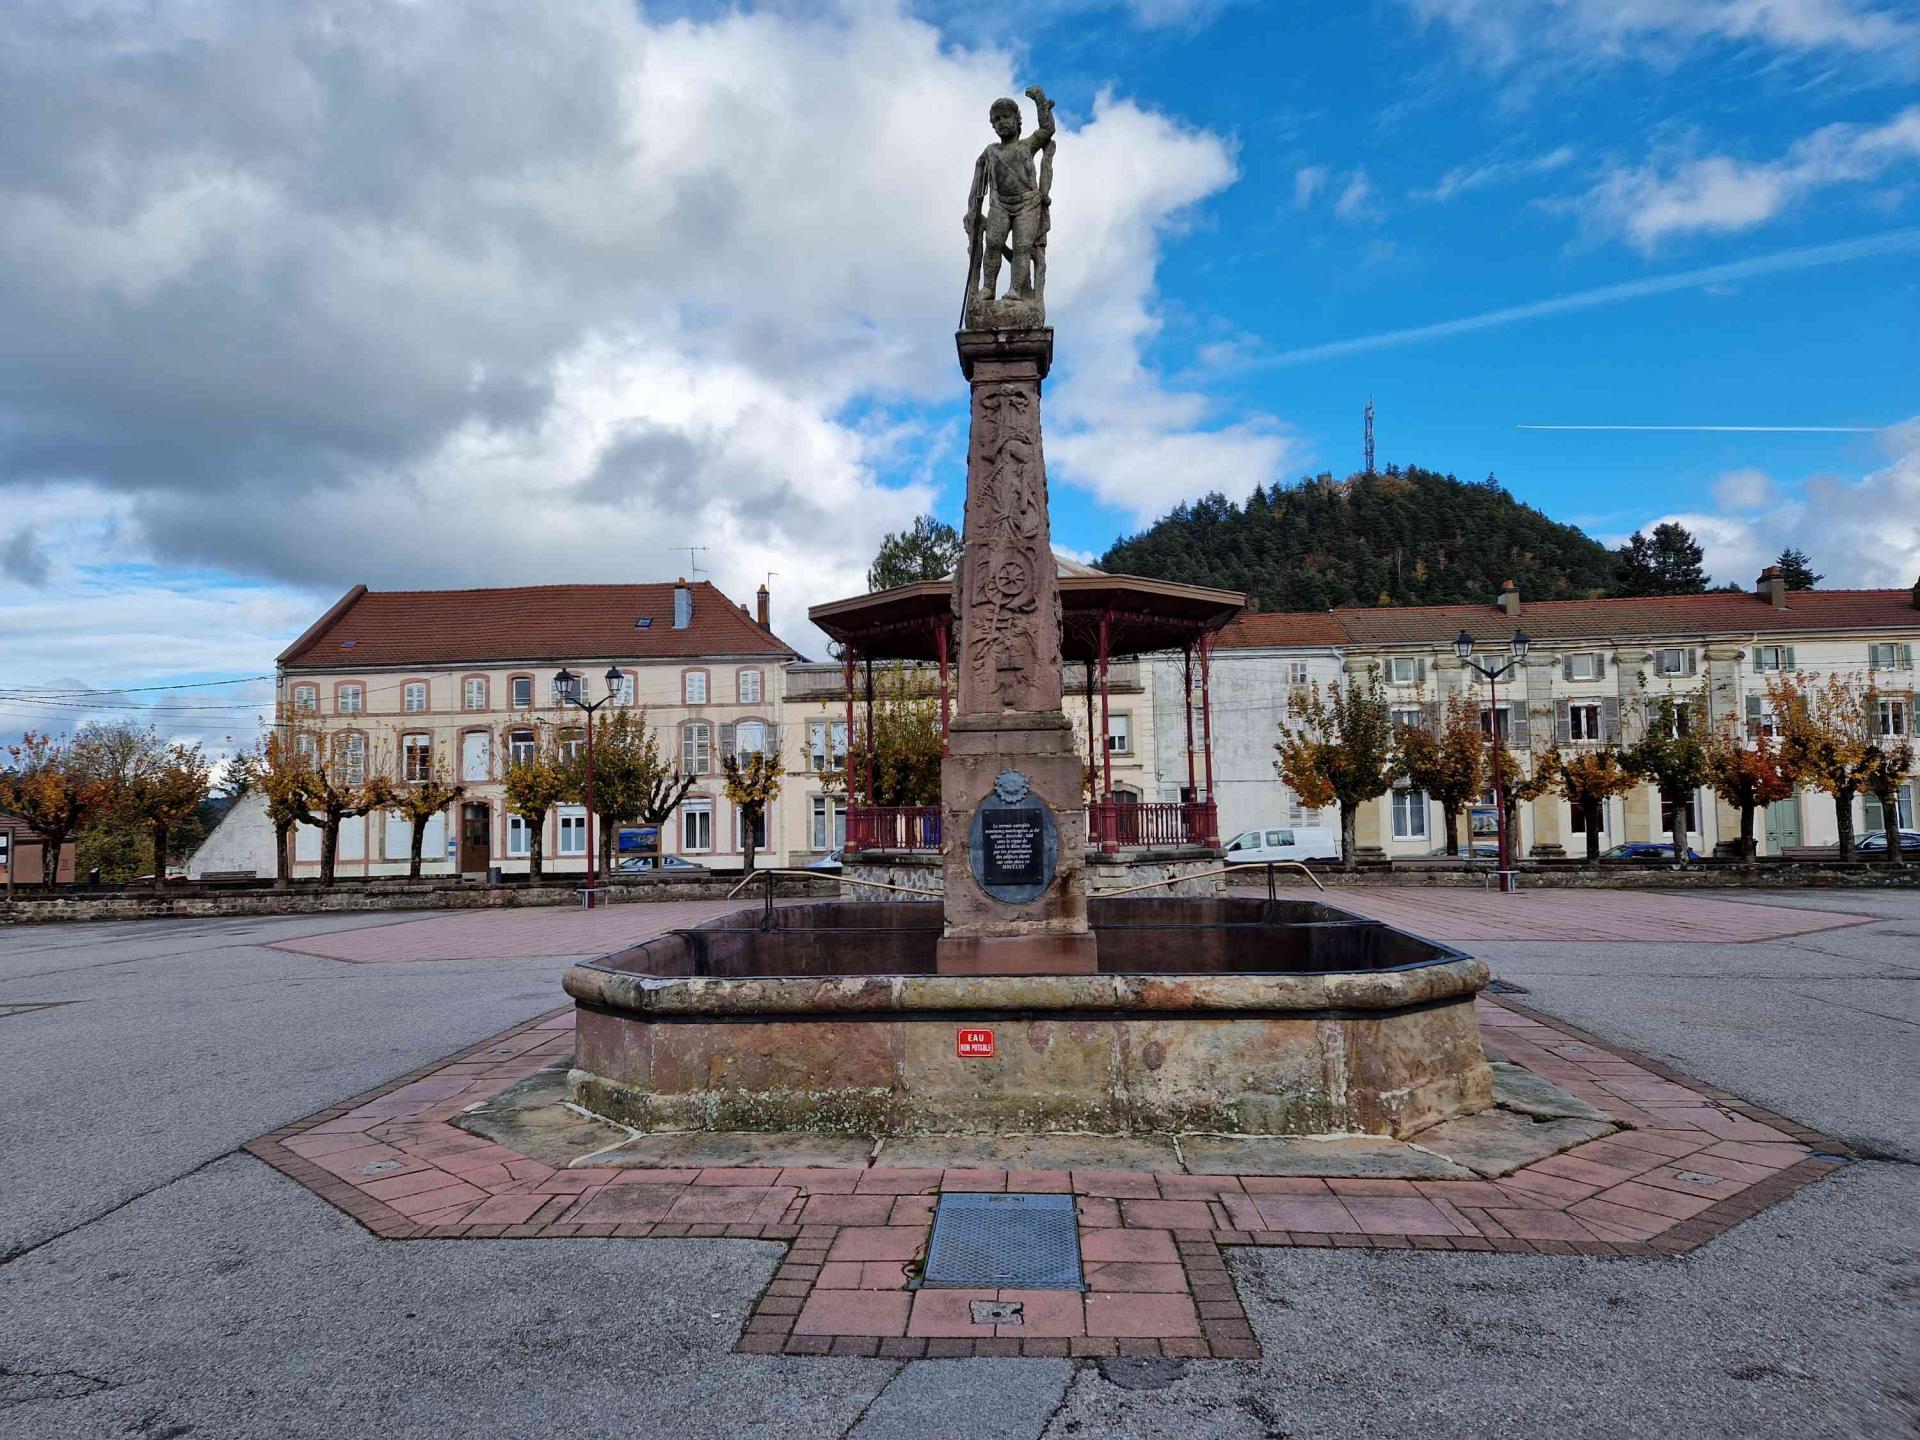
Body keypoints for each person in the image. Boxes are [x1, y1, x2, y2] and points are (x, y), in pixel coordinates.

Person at [964, 87, 1055, 312]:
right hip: (1000, 204)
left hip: (1027, 203)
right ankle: (988, 288)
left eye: (1006, 117)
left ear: (1017, 119)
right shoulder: (990, 152)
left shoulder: (1027, 145)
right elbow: (978, 183)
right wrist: (973, 210)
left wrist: (1039, 101)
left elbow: (1047, 129)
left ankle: (1016, 289)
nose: (1001, 122)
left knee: (1022, 247)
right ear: (992, 126)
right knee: (993, 244)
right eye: (996, 120)